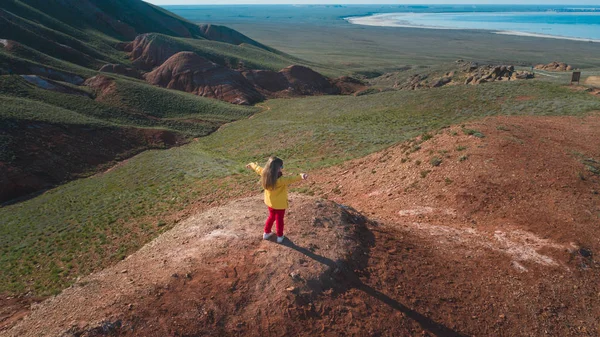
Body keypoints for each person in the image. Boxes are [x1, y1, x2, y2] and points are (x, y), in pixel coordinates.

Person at [246, 157, 308, 243]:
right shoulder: (280, 180)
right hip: (280, 204)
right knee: (279, 219)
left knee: (271, 217)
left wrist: (252, 164)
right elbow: (291, 179)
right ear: (277, 169)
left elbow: (258, 169)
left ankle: (266, 233)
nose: (282, 168)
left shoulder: (264, 173)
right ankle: (279, 236)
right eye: (281, 167)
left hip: (270, 203)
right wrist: (301, 176)